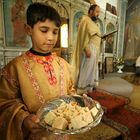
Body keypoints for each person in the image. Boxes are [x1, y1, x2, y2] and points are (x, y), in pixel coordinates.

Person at [0, 3, 75, 140]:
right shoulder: (15, 68)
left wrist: (77, 102)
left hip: (63, 133)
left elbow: (70, 91)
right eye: (44, 30)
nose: (51, 37)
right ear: (28, 30)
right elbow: (5, 103)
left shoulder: (63, 65)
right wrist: (24, 118)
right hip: (34, 134)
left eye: (55, 31)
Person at [72, 4, 101, 93]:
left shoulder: (92, 23)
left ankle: (89, 88)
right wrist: (86, 48)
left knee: (91, 70)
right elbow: (83, 35)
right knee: (86, 69)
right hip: (89, 48)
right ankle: (82, 90)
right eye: (96, 12)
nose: (98, 14)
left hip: (95, 49)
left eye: (99, 12)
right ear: (91, 11)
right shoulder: (85, 19)